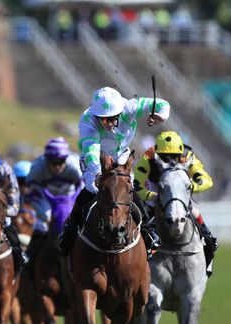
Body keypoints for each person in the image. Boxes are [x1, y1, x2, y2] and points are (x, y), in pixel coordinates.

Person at [59, 86, 169, 258]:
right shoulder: (88, 122)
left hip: (122, 157)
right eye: (103, 120)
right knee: (92, 189)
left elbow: (162, 104)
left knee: (128, 189)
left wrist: (160, 115)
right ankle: (70, 231)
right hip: (96, 160)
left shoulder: (129, 108)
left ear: (119, 112)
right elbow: (91, 152)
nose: (108, 124)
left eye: (112, 119)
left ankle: (148, 231)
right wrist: (97, 174)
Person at [134, 130, 219, 275]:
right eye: (165, 157)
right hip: (155, 194)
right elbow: (136, 185)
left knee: (193, 211)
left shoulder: (188, 157)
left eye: (174, 156)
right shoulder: (148, 157)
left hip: (180, 196)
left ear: (181, 152)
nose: (170, 161)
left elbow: (207, 181)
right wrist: (151, 196)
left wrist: (192, 187)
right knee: (142, 221)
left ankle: (208, 240)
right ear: (156, 152)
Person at [23, 138, 83, 267]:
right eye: (53, 162)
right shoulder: (38, 167)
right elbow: (31, 189)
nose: (57, 166)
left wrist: (75, 202)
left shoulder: (74, 164)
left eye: (60, 162)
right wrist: (43, 211)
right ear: (46, 159)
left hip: (68, 195)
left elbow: (83, 186)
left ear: (66, 159)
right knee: (44, 219)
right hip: (45, 196)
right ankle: (29, 260)